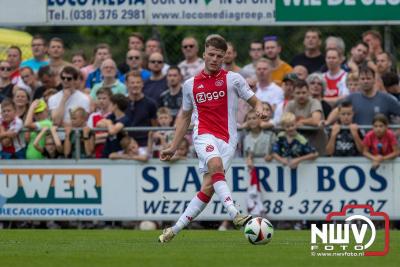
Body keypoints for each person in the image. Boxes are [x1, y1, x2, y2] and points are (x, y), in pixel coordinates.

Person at [158, 34, 267, 243]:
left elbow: (255, 101)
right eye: (211, 55)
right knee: (215, 165)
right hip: (203, 134)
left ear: (225, 56)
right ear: (204, 55)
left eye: (219, 55)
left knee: (208, 188)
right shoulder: (190, 84)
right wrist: (173, 146)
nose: (215, 59)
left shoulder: (233, 79)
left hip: (228, 139)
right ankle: (235, 213)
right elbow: (184, 116)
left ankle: (174, 230)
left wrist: (261, 110)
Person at [243, 110, 275, 217]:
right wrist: (248, 158)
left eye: (254, 118)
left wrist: (271, 155)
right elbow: (246, 154)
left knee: (269, 194)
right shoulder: (246, 137)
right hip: (253, 172)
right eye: (249, 119)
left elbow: (275, 149)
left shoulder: (269, 135)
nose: (252, 121)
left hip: (270, 170)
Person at [98, 93, 130, 158]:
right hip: (106, 153)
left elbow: (112, 131)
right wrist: (109, 124)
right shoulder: (112, 116)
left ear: (115, 105)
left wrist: (108, 123)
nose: (109, 106)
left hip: (118, 156)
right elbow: (98, 124)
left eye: (110, 104)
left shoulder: (125, 119)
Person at [87, 87, 112, 158]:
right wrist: (107, 136)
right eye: (99, 98)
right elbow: (90, 137)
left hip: (112, 154)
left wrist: (97, 138)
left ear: (110, 99)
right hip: (97, 155)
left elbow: (115, 136)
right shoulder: (93, 116)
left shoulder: (114, 115)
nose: (101, 101)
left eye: (104, 98)